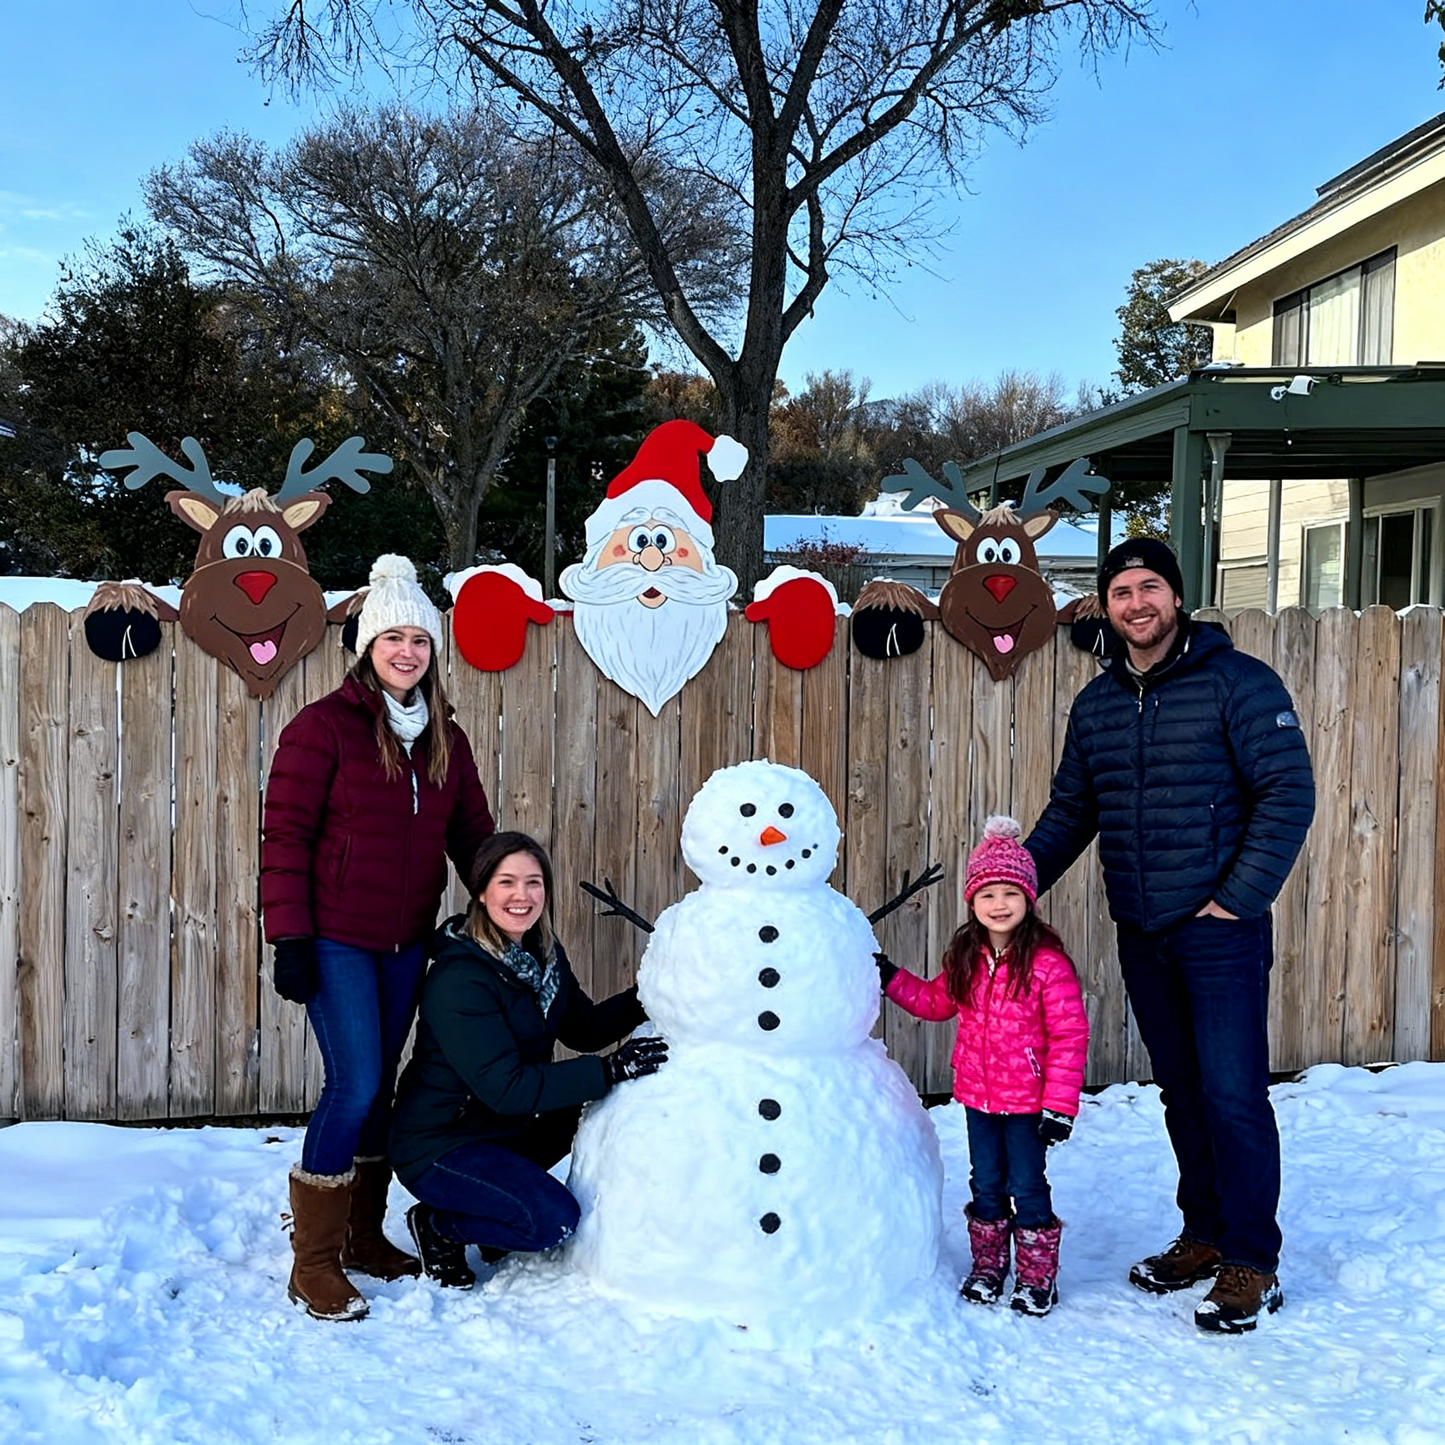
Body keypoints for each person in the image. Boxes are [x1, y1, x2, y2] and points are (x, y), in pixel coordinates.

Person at [1025, 537, 1314, 1335]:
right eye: (1120, 592)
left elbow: (1287, 792)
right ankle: (1204, 1231)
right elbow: (1071, 812)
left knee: (1232, 1093)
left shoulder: (1238, 684)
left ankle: (1251, 1256)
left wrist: (1236, 899)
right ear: (1107, 608)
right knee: (1181, 1091)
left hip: (1218, 933)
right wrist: (1009, 880)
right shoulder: (1098, 704)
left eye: (1149, 586)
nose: (1135, 603)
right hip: (1142, 929)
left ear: (1176, 597)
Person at [261, 554, 495, 1322]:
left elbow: (473, 836)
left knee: (382, 1090)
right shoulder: (321, 728)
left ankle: (362, 1233)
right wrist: (288, 936)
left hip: (405, 942)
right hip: (333, 938)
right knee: (354, 1083)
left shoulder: (444, 738)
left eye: (419, 640)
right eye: (392, 637)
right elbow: (286, 836)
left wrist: (506, 905)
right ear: (366, 647)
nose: (407, 651)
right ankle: (314, 1261)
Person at [389, 832, 667, 1289]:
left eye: (534, 882)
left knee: (572, 1110)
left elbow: (583, 1030)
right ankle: (440, 1225)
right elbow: (508, 1087)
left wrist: (648, 995)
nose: (522, 896)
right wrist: (611, 1069)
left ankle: (495, 1203)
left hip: (499, 1127)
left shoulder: (543, 956)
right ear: (481, 891)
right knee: (551, 1222)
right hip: (441, 1144)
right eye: (507, 882)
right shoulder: (460, 979)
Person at [877, 817, 1088, 1317]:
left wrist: (1060, 1106)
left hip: (1028, 1103)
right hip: (978, 1096)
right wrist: (889, 977)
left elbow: (1068, 1036)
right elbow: (935, 1002)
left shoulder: (1047, 964)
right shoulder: (968, 959)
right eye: (988, 894)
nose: (999, 904)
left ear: (1028, 899)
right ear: (973, 902)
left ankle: (1037, 1278)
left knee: (1028, 1185)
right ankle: (989, 1267)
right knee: (986, 1182)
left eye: (1010, 893)